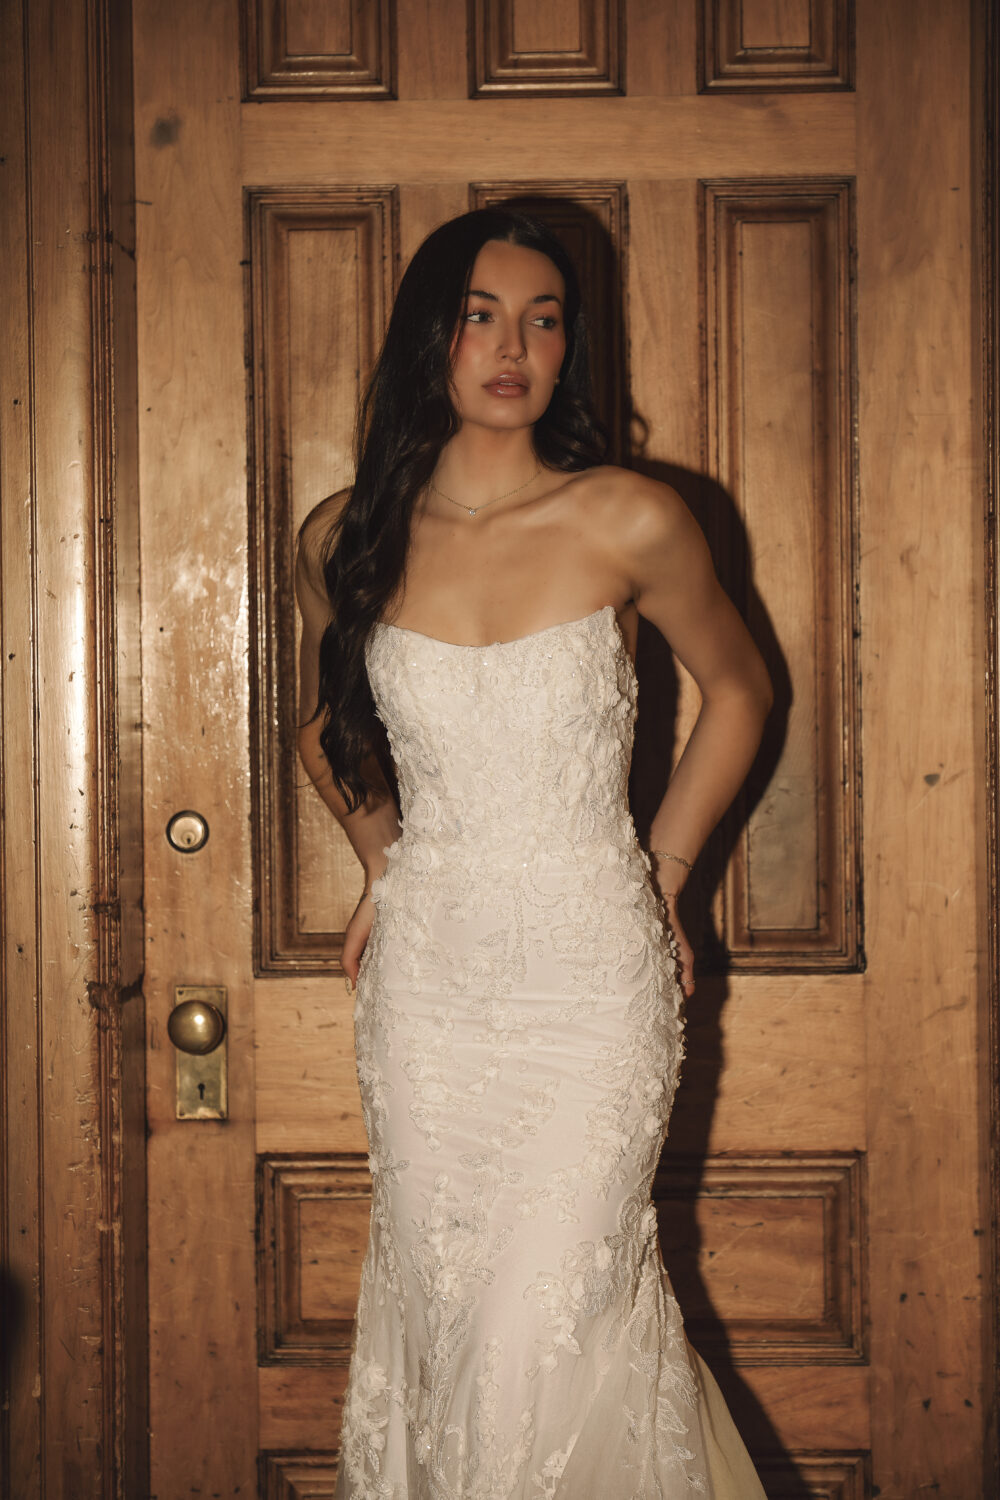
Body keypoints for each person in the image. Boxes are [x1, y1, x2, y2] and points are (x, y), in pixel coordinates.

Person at [296, 207, 773, 1499]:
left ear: (570, 347)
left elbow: (740, 690)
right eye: (481, 316)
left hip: (590, 976)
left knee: (546, 1333)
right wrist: (384, 866)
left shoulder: (630, 516)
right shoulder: (347, 535)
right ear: (429, 338)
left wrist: (665, 874)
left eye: (544, 320)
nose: (513, 347)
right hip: (430, 990)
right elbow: (326, 729)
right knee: (450, 1316)